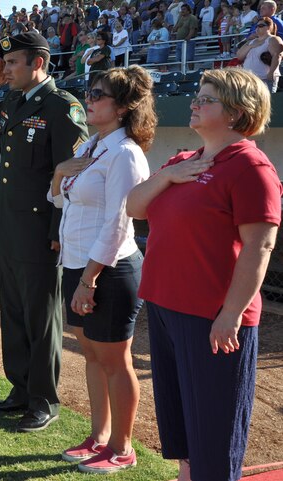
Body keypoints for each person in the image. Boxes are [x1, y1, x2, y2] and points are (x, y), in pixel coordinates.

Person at [127, 67, 281, 481]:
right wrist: (167, 175)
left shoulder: (251, 167)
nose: (194, 103)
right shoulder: (183, 161)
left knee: (214, 431)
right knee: (182, 427)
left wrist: (231, 314)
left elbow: (259, 247)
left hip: (212, 317)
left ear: (236, 112)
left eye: (206, 98)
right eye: (197, 95)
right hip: (165, 306)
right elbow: (134, 207)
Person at [0, 32, 89, 431]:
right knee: (15, 314)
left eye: (13, 63)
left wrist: (59, 231)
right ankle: (19, 388)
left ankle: (43, 400)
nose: (6, 71)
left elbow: (70, 179)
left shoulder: (61, 106)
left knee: (42, 320)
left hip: (41, 230)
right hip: (9, 225)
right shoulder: (12, 101)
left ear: (37, 63)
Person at [49, 66, 155, 473]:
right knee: (92, 356)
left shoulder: (126, 153)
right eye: (90, 93)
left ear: (124, 107)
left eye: (98, 95)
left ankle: (122, 447)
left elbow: (118, 222)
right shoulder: (90, 145)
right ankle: (98, 437)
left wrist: (89, 280)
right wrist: (60, 172)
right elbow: (59, 200)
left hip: (107, 270)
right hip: (77, 264)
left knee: (115, 360)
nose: (88, 100)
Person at [237, 16, 283, 92]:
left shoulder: (273, 39)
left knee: (268, 102)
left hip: (265, 78)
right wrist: (251, 46)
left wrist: (271, 73)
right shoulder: (251, 41)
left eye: (261, 26)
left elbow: (277, 55)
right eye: (256, 26)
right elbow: (239, 56)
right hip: (249, 79)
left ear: (269, 27)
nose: (257, 28)